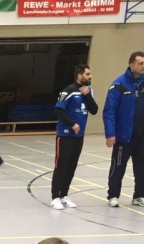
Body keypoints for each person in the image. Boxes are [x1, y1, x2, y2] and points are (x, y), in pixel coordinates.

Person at [103, 52, 144, 208]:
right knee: (118, 166)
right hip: (124, 135)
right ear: (131, 65)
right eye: (140, 63)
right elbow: (109, 110)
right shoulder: (119, 84)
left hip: (143, 134)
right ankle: (113, 195)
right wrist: (110, 133)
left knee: (142, 168)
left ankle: (139, 196)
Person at [52, 64, 98, 210]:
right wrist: (72, 124)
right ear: (79, 75)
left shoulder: (88, 91)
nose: (90, 77)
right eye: (87, 74)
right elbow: (58, 110)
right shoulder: (68, 91)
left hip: (79, 136)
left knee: (72, 166)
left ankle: (64, 195)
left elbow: (94, 110)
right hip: (65, 135)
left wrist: (87, 95)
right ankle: (55, 197)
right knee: (61, 165)